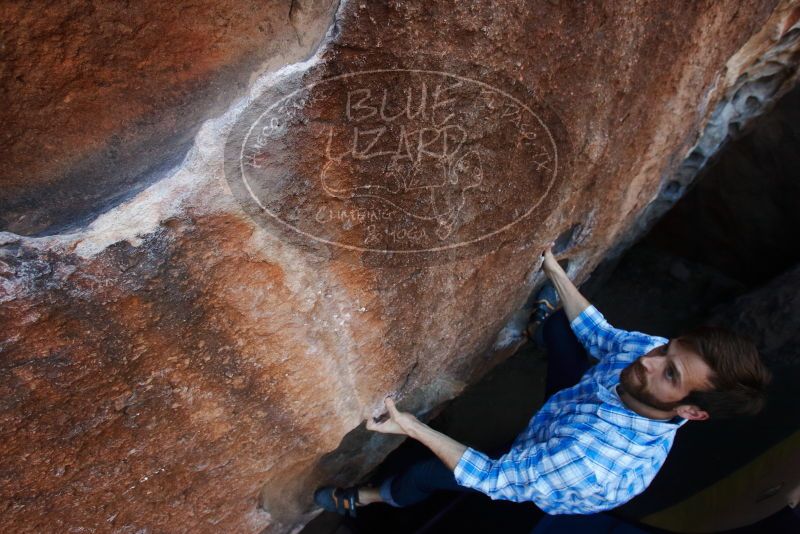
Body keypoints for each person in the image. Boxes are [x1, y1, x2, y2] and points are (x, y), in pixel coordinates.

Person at [314, 244, 772, 517]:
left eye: (670, 374)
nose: (650, 362)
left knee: (428, 473)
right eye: (665, 350)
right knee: (560, 329)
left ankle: (372, 498)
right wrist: (555, 269)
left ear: (691, 411)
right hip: (575, 407)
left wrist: (414, 426)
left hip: (551, 459)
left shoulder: (590, 462)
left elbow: (495, 477)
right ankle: (543, 330)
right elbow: (607, 336)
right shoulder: (648, 356)